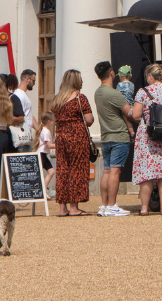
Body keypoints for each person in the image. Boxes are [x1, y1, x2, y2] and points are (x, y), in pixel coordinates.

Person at [129, 64, 162, 216]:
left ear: (150, 76)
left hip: (148, 137)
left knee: (147, 173)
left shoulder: (143, 92)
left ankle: (145, 209)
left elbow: (135, 115)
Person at [51, 69, 94, 216]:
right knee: (77, 169)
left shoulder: (57, 99)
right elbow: (89, 120)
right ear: (75, 81)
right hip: (76, 136)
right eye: (80, 79)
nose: (82, 82)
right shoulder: (80, 99)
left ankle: (63, 208)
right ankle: (74, 207)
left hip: (61, 136)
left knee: (62, 169)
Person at [93, 61, 132, 216]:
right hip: (118, 135)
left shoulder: (98, 92)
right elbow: (130, 112)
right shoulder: (114, 94)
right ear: (111, 73)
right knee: (115, 171)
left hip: (106, 136)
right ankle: (112, 205)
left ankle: (104, 205)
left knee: (107, 171)